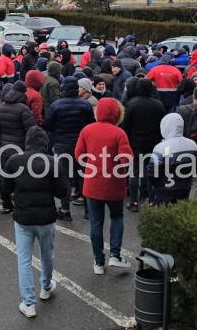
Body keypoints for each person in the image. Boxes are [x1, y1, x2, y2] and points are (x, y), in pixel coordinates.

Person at [1, 127, 68, 318]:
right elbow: (62, 192)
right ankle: (46, 287)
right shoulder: (53, 163)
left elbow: (4, 188)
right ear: (45, 143)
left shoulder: (14, 161)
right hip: (46, 217)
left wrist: (10, 201)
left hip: (23, 217)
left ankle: (28, 303)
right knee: (47, 254)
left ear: (27, 142)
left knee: (24, 259)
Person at [75, 98, 134, 274]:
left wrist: (91, 165)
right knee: (117, 216)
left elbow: (78, 154)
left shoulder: (87, 130)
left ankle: (99, 262)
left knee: (96, 222)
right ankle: (115, 255)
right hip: (114, 183)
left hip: (92, 183)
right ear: (118, 113)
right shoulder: (119, 133)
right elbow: (126, 159)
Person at [43, 76, 95, 221]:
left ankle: (65, 209)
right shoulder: (85, 105)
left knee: (64, 177)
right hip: (81, 144)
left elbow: (47, 125)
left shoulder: (56, 105)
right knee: (83, 175)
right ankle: (88, 210)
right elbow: (91, 124)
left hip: (61, 144)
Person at [120, 78, 165, 212]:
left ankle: (134, 201)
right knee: (151, 172)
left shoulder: (132, 104)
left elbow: (126, 126)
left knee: (134, 172)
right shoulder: (159, 105)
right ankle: (151, 200)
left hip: (135, 143)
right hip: (153, 144)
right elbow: (161, 126)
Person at [0, 81, 37, 210]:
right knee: (21, 176)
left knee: (5, 173)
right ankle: (19, 201)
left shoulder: (1, 107)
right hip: (19, 147)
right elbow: (32, 130)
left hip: (5, 147)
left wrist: (1, 143)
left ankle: (3, 199)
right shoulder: (23, 109)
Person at [146, 113, 197, 205]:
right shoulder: (193, 145)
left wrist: (155, 186)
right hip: (185, 189)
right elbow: (196, 168)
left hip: (164, 191)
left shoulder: (160, 148)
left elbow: (152, 173)